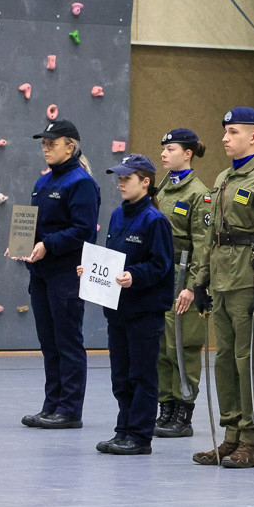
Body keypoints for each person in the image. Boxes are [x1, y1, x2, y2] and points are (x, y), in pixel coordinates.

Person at [191, 107, 254, 469]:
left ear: (253, 137)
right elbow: (210, 237)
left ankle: (252, 440)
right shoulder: (223, 178)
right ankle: (231, 435)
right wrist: (200, 280)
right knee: (225, 360)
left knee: (250, 361)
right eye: (225, 131)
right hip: (221, 280)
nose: (225, 138)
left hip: (249, 281)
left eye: (232, 132)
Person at [83, 154, 174, 454]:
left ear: (145, 182)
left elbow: (161, 265)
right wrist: (91, 269)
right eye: (119, 179)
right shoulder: (118, 215)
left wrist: (134, 275)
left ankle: (139, 436)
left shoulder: (155, 220)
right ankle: (123, 430)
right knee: (121, 377)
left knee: (142, 375)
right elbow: (111, 259)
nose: (121, 184)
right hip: (118, 309)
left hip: (144, 311)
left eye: (127, 178)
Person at [18, 120, 100, 429]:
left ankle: (69, 409)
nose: (46, 147)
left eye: (52, 143)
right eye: (44, 143)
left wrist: (47, 244)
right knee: (49, 342)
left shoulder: (81, 183)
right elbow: (35, 223)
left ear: (71, 146)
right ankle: (51, 404)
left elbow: (83, 230)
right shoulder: (44, 181)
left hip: (66, 272)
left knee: (67, 341)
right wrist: (21, 242)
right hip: (41, 272)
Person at [154, 128, 212, 439]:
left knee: (183, 346)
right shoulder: (163, 188)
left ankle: (183, 411)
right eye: (163, 148)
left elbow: (203, 246)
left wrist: (193, 286)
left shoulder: (198, 194)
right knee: (162, 348)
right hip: (162, 277)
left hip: (183, 277)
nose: (164, 153)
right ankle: (165, 406)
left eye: (171, 149)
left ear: (188, 154)